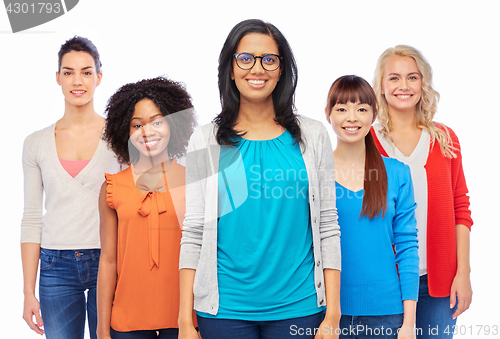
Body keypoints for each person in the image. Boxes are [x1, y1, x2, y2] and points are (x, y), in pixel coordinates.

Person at [178, 19, 341, 339]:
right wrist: (185, 320)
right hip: (224, 311)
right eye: (246, 58)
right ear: (230, 68)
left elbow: (327, 224)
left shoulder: (313, 136)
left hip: (300, 307)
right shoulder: (205, 140)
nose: (258, 68)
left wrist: (332, 313)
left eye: (269, 59)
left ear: (282, 69)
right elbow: (194, 231)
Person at [21, 36, 120, 339]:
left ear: (99, 77)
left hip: (110, 258)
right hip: (55, 265)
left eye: (86, 72)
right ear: (58, 78)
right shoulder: (35, 142)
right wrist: (27, 291)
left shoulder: (119, 136)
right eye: (69, 72)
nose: (78, 81)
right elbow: (31, 217)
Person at [371, 45, 473, 339]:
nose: (403, 85)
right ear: (381, 86)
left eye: (412, 77)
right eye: (394, 78)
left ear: (423, 84)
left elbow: (461, 209)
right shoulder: (366, 140)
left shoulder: (444, 139)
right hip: (384, 281)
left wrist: (463, 274)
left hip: (437, 282)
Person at [97, 76, 197, 339]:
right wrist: (101, 329)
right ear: (125, 131)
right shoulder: (112, 187)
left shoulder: (194, 181)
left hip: (184, 319)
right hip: (126, 321)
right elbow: (107, 261)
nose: (147, 131)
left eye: (157, 121)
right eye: (136, 124)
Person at [325, 75, 419, 339]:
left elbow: (407, 246)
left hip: (387, 315)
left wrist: (409, 323)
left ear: (374, 114)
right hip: (328, 313)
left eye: (361, 109)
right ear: (328, 114)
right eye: (341, 109)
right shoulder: (316, 174)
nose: (351, 117)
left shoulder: (398, 173)